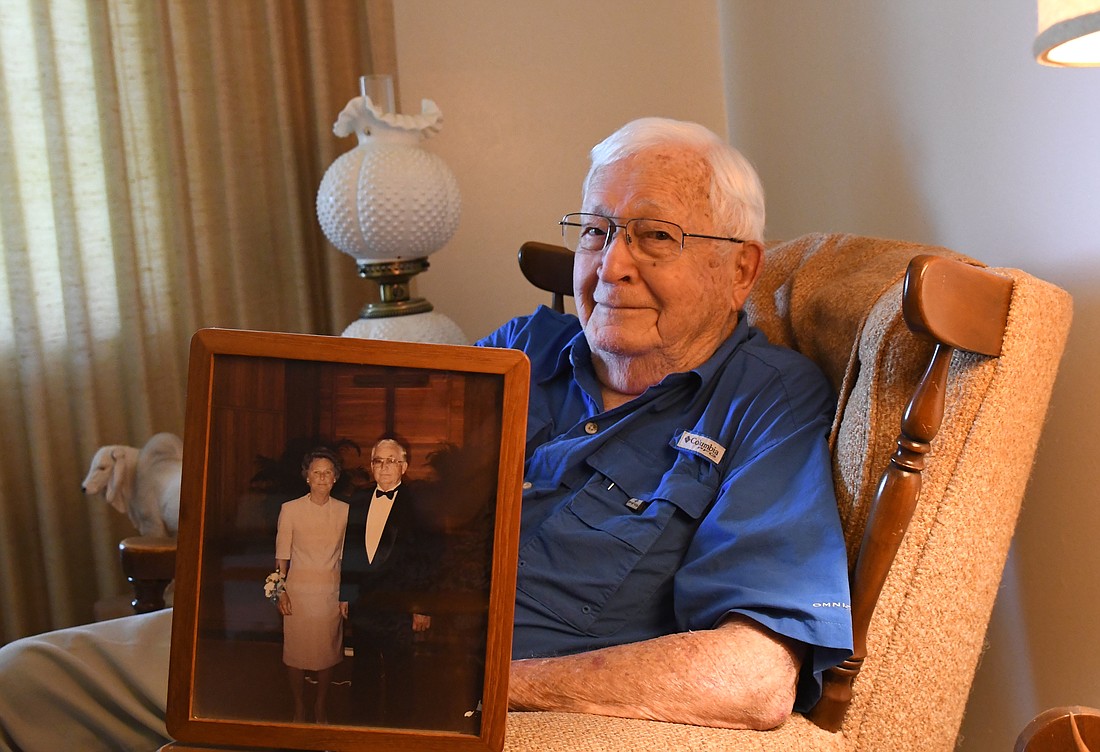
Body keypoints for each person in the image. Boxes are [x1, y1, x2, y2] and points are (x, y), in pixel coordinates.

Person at [0, 117, 851, 751]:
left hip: (432, 693)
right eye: (596, 229)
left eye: (653, 235)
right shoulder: (527, 347)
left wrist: (488, 685)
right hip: (320, 629)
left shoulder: (763, 405)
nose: (612, 264)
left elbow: (757, 675)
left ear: (740, 268)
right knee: (17, 684)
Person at [338, 438, 444, 729]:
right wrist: (345, 593)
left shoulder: (420, 503)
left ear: (404, 466)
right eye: (378, 461)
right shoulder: (358, 499)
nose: (384, 467)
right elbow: (349, 549)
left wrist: (423, 606)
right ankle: (362, 728)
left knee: (400, 670)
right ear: (371, 466)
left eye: (391, 461)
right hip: (363, 601)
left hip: (401, 603)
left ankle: (400, 731)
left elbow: (431, 557)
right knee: (364, 667)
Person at [274, 448, 350, 723]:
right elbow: (282, 555)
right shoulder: (290, 509)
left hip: (330, 592)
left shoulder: (345, 512)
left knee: (326, 653)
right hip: (299, 594)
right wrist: (280, 591)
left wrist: (346, 596)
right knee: (296, 653)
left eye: (328, 472)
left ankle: (320, 705)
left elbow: (347, 558)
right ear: (307, 477)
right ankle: (298, 706)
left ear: (335, 478)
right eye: (316, 472)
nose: (321, 477)